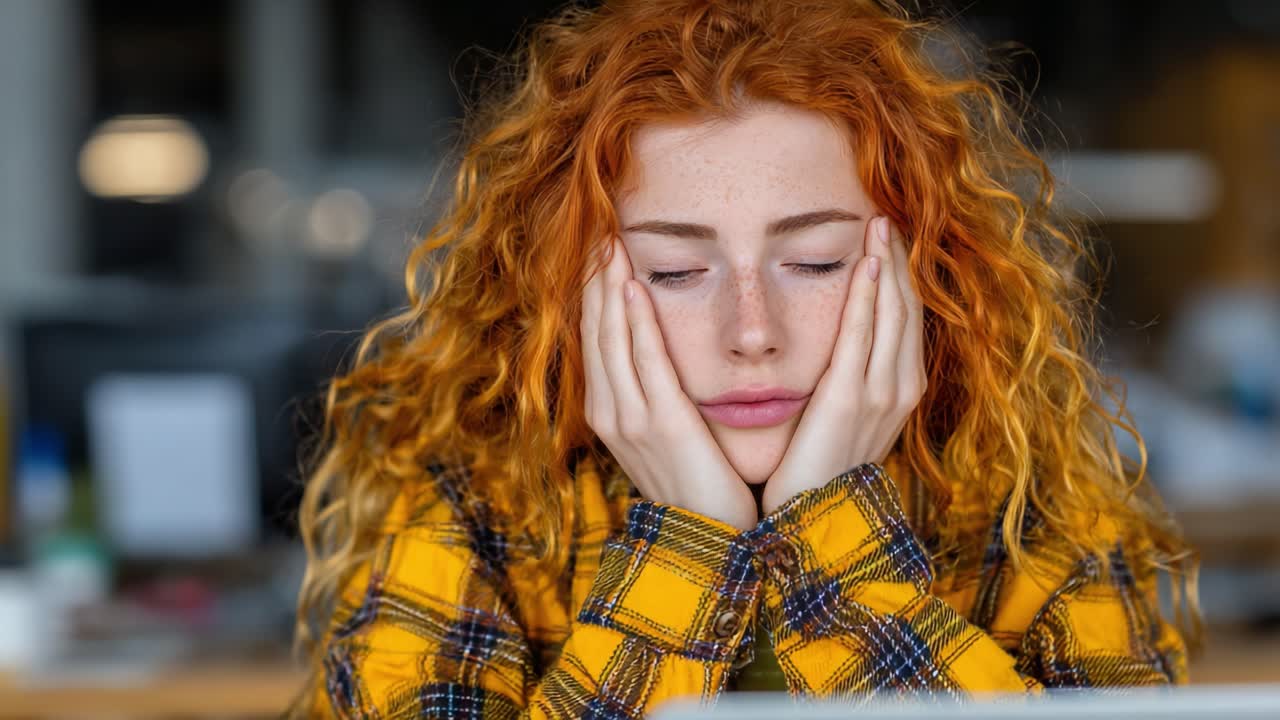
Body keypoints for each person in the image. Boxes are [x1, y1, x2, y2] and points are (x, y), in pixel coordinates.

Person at [289, 0, 1200, 716]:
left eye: (814, 262)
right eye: (676, 270)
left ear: (929, 271)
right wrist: (691, 543)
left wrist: (831, 533)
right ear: (569, 293)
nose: (752, 330)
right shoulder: (475, 507)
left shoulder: (1032, 516)